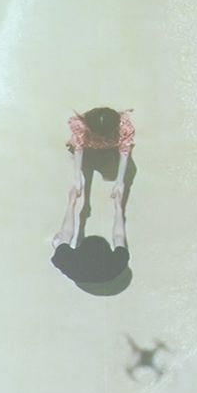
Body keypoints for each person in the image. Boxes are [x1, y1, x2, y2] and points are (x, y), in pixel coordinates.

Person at [51, 107, 134, 288]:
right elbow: (119, 235)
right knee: (60, 242)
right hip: (105, 274)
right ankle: (58, 244)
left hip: (100, 273)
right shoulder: (116, 265)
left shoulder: (67, 262)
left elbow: (67, 233)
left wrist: (72, 202)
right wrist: (119, 204)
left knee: (58, 240)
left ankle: (57, 243)